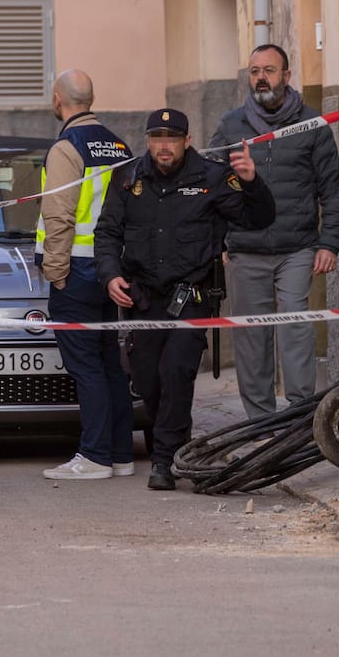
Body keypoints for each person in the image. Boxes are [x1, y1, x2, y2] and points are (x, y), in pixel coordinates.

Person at [95, 108, 275, 491]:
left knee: (175, 372)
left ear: (187, 141)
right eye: (157, 138)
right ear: (148, 141)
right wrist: (110, 274)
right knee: (146, 380)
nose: (164, 146)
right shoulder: (127, 178)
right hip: (143, 298)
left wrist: (251, 181)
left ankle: (165, 459)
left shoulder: (212, 178)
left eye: (172, 138)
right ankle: (178, 442)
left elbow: (259, 219)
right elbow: (107, 233)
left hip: (190, 297)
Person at [208, 43, 339, 417]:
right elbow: (211, 185)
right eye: (254, 71)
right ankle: (259, 422)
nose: (261, 78)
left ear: (286, 76)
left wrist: (330, 243)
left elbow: (332, 187)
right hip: (245, 248)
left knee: (294, 325)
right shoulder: (230, 125)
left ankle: (299, 415)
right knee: (251, 336)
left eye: (269, 70)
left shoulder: (312, 123)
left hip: (297, 247)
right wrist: (217, 240)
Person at [38, 70, 136, 481]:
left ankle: (94, 456)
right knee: (110, 363)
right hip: (109, 269)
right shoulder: (119, 145)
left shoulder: (67, 147)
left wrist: (55, 271)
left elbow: (59, 214)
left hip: (75, 269)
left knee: (85, 366)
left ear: (58, 99)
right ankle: (119, 454)